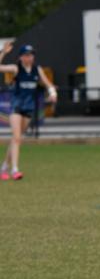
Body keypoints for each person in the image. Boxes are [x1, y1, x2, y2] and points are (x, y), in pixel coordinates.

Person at [0, 42, 57, 180]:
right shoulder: (16, 68)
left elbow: (47, 83)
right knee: (17, 137)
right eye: (26, 55)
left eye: (31, 55)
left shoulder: (37, 69)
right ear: (20, 57)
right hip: (16, 107)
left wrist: (52, 92)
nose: (29, 57)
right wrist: (3, 52)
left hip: (29, 108)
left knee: (16, 139)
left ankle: (3, 167)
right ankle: (15, 170)